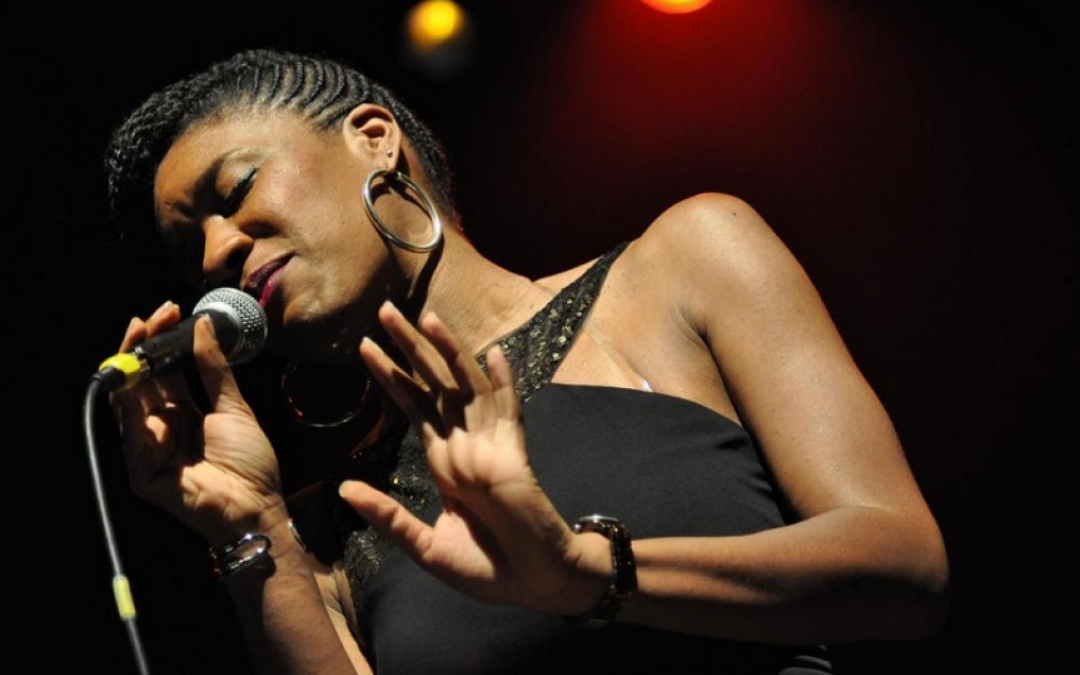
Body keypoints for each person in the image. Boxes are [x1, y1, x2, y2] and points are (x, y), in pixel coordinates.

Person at [101, 47, 950, 675]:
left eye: (235, 190)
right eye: (191, 251)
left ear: (374, 139)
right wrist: (250, 528)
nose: (217, 251)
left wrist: (587, 572)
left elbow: (903, 566)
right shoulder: (330, 530)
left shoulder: (682, 266)